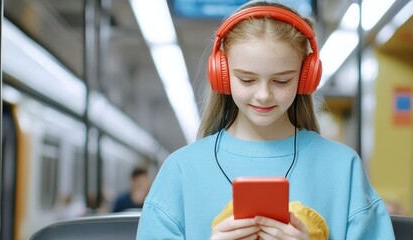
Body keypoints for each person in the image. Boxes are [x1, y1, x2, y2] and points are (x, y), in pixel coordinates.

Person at [136, 1, 394, 239]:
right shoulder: (180, 170)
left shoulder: (342, 168)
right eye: (246, 79)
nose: (263, 95)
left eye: (282, 80)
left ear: (306, 78)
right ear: (222, 75)